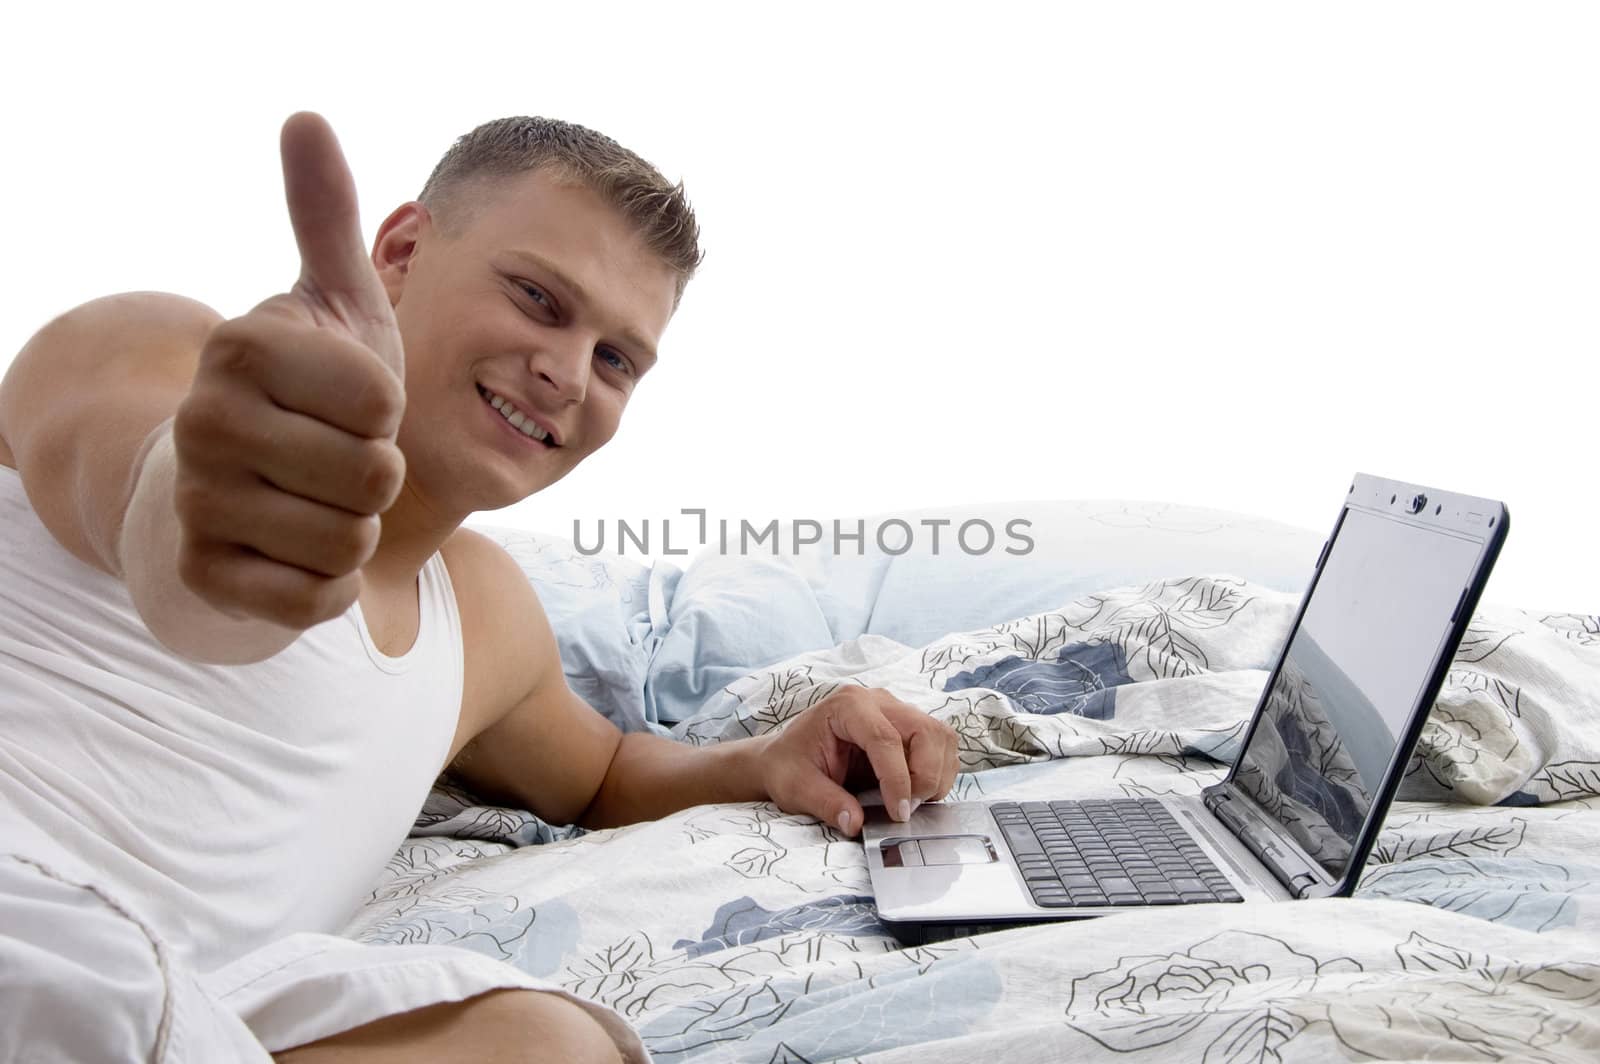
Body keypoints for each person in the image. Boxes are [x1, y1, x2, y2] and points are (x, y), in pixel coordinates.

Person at [0, 112, 958, 1063]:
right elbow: (156, 510)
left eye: (617, 359)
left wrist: (766, 758)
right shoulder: (161, 356)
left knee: (551, 1045)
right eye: (539, 299)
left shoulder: (485, 615)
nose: (567, 374)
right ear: (405, 251)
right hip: (33, 920)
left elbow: (605, 774)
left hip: (189, 1016)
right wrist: (211, 516)